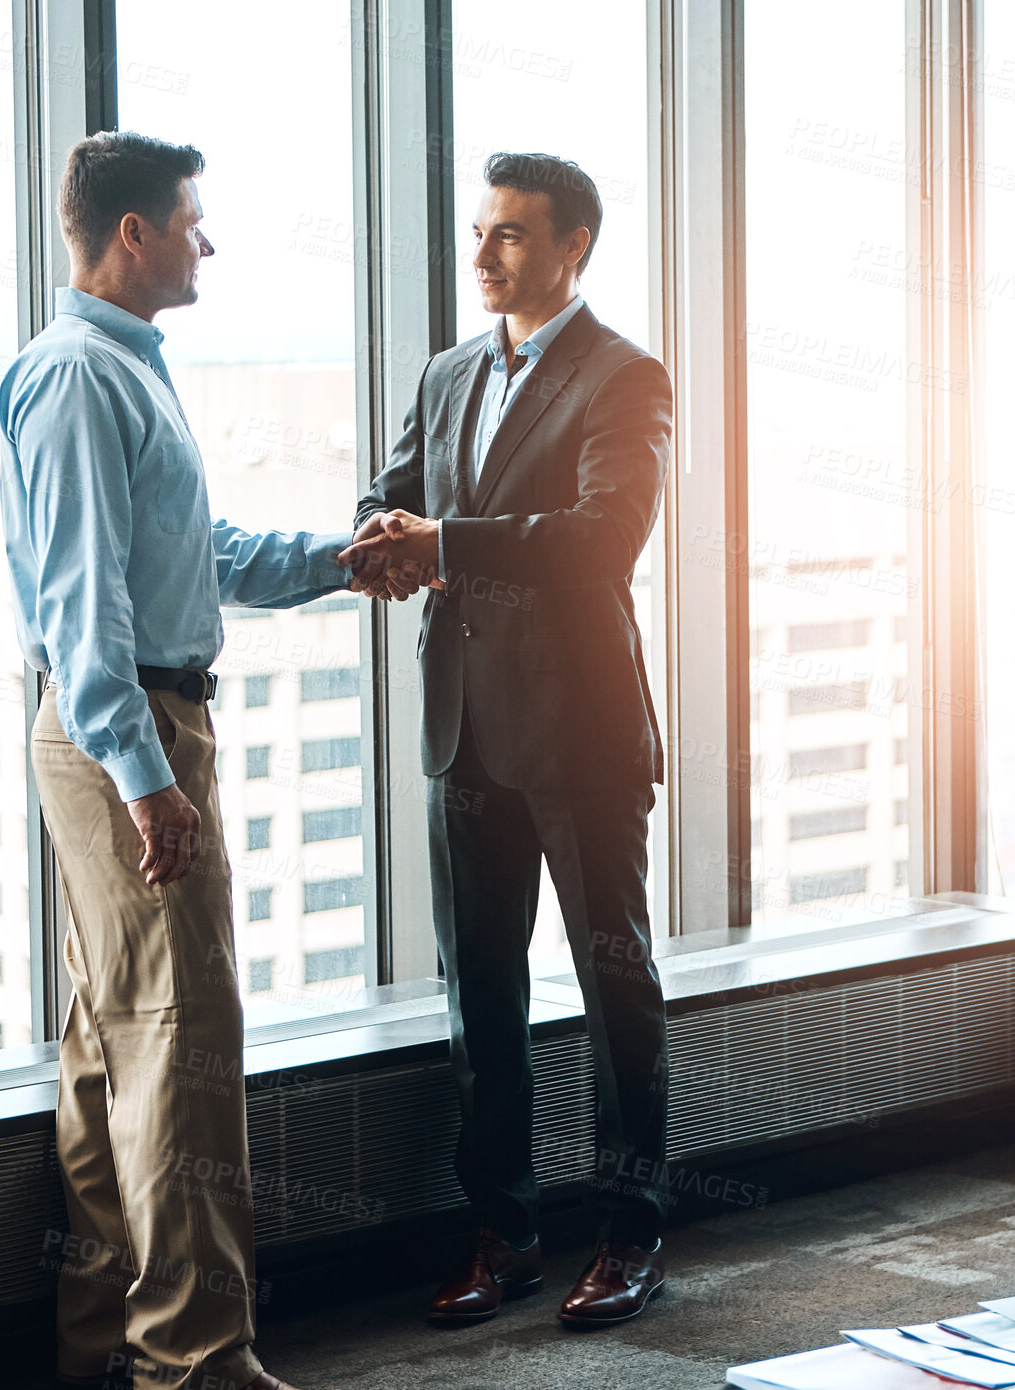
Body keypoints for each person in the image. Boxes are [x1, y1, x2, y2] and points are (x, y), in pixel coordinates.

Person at [0, 131, 386, 1390]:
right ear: (131, 235)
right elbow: (81, 605)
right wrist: (152, 782)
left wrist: (342, 557)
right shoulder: (75, 380)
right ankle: (198, 1360)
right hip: (132, 732)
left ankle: (106, 1329)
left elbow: (200, 552)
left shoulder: (126, 374)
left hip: (133, 725)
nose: (205, 242)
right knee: (183, 1039)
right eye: (192, 221)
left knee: (118, 1036)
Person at [340, 151, 673, 1328]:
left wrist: (442, 545)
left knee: (611, 983)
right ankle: (503, 1233)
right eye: (481, 232)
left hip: (577, 732)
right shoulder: (444, 373)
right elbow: (396, 494)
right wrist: (380, 540)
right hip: (465, 732)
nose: (482, 255)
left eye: (512, 237)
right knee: (479, 997)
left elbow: (600, 538)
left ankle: (628, 1236)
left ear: (574, 247)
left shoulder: (624, 375)